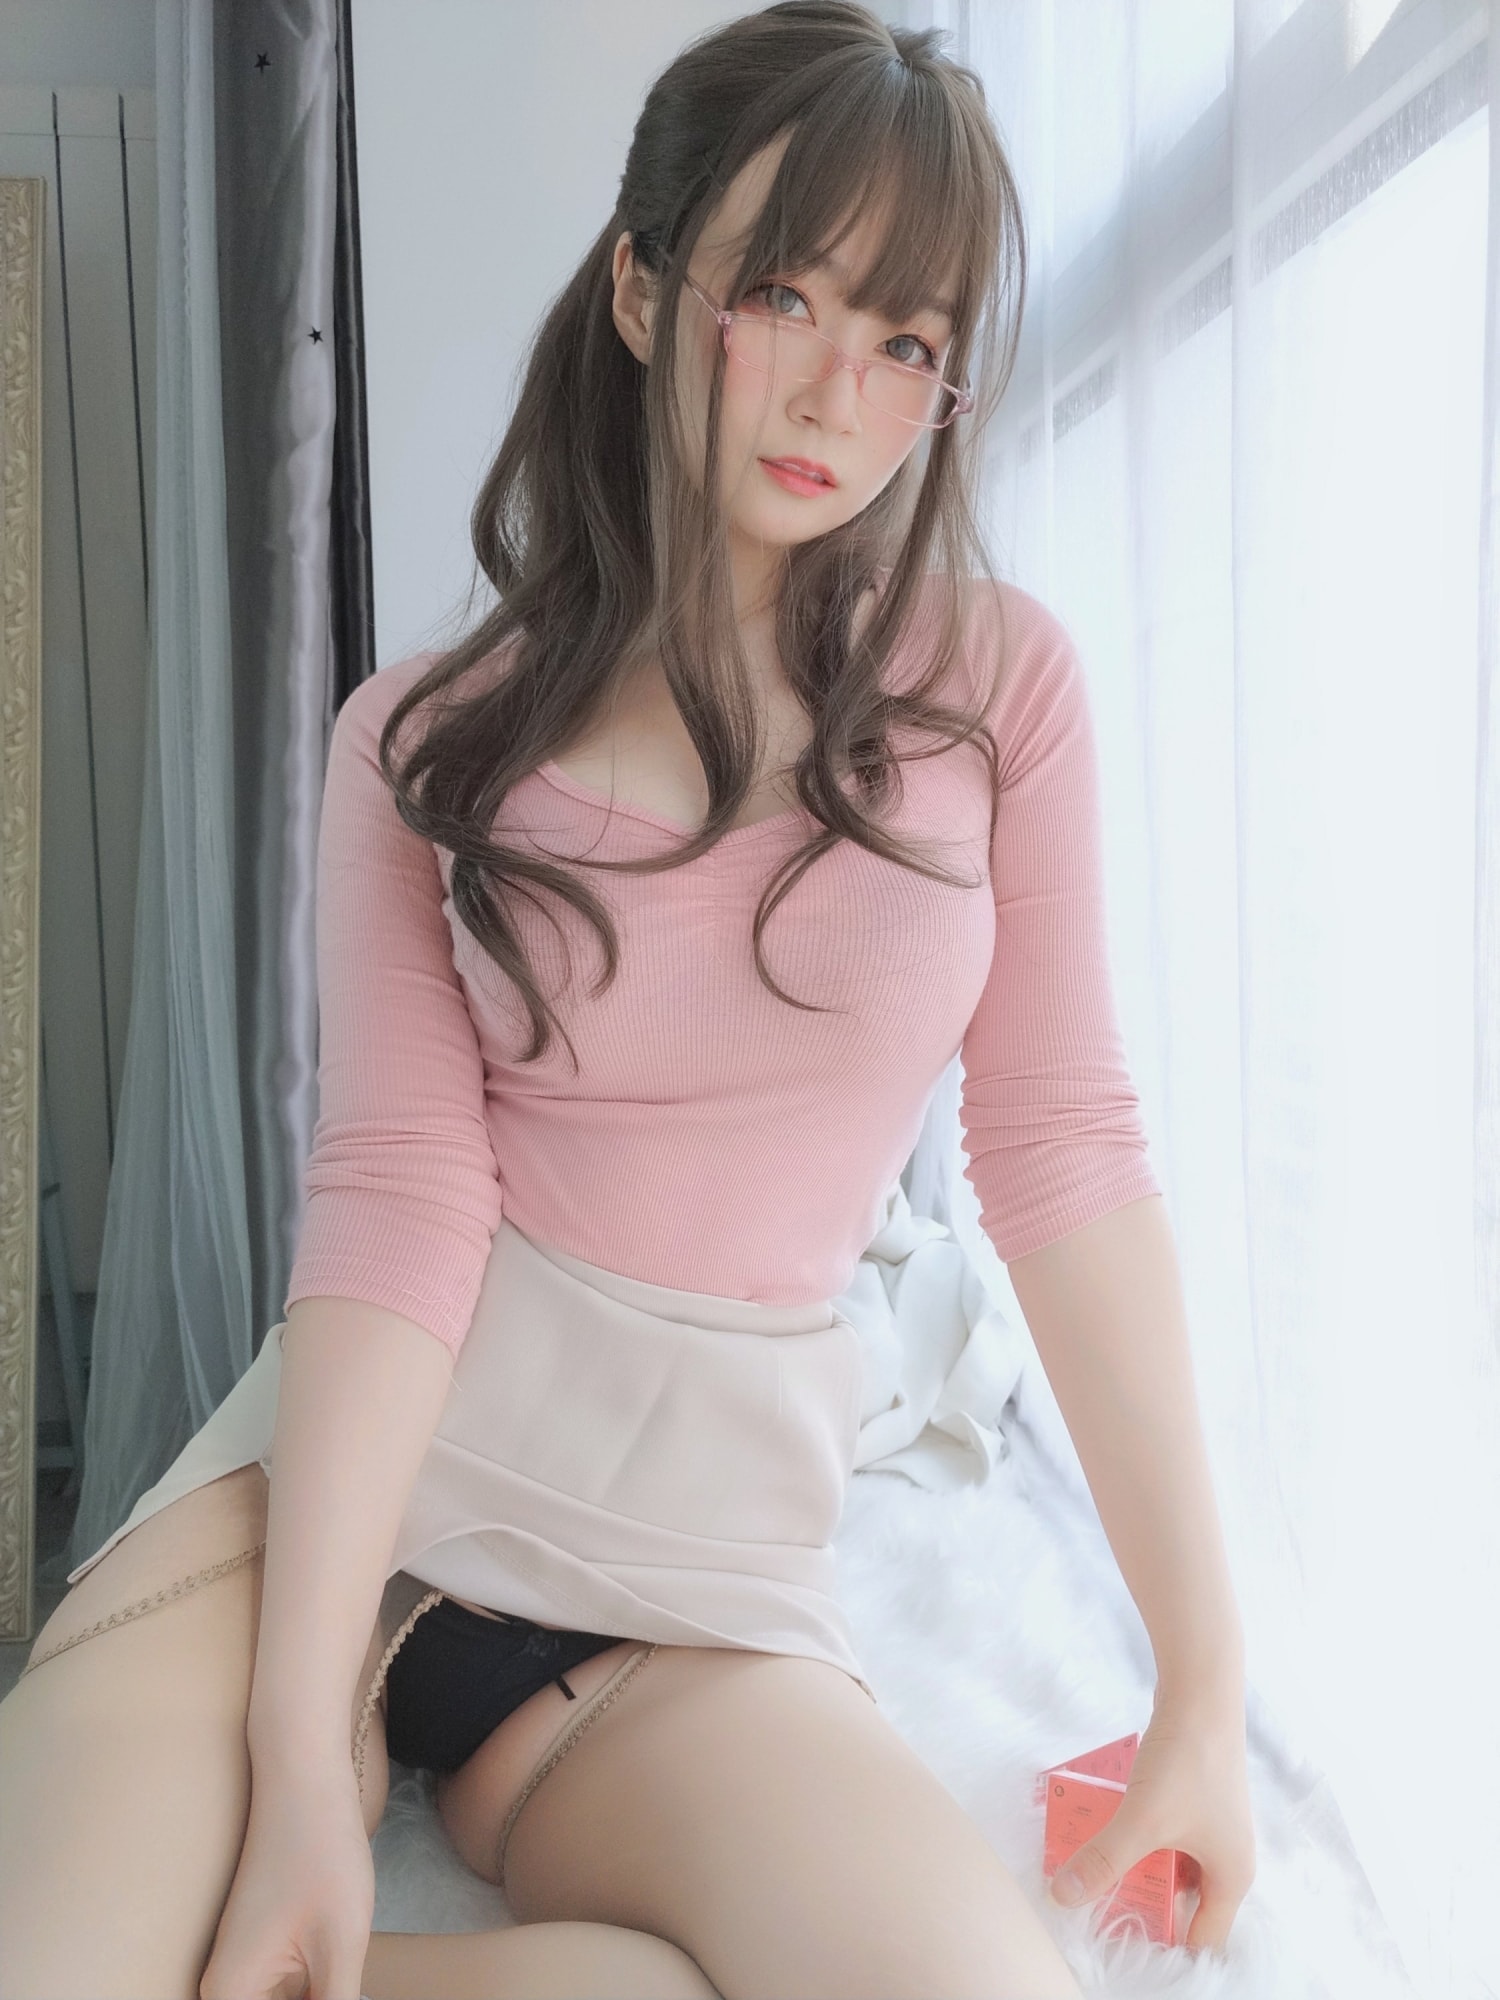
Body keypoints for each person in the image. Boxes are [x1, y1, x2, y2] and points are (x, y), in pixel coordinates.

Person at [0, 4, 1254, 1997]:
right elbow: (400, 1201)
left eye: (907, 341)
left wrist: (1203, 1676)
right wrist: (298, 1753)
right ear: (646, 289)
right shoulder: (418, 740)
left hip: (679, 1600)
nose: (838, 389)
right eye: (784, 294)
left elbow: (1064, 1150)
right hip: (320, 1507)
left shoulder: (999, 690)